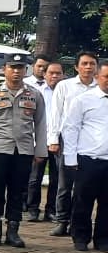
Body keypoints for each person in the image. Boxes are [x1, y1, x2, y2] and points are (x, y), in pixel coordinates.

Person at [0, 53, 47, 248]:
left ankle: (13, 231)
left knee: (18, 191)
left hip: (23, 150)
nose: (16, 71)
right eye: (12, 67)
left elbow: (41, 124)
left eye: (20, 68)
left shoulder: (34, 94)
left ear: (26, 70)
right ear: (4, 69)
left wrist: (40, 151)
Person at [46, 51, 99, 238]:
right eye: (84, 63)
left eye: (92, 64)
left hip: (90, 142)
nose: (88, 67)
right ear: (76, 67)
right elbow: (55, 113)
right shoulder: (65, 86)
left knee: (84, 186)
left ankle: (78, 223)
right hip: (67, 140)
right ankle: (62, 221)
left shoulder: (100, 87)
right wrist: (53, 140)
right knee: (64, 184)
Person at [61, 61, 108, 252]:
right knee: (82, 200)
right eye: (106, 77)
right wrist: (70, 158)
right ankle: (80, 236)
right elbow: (71, 129)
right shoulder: (83, 100)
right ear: (97, 77)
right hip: (88, 158)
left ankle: (103, 239)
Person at [27, 61, 64, 222]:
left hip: (60, 141)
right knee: (35, 177)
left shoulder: (67, 93)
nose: (54, 76)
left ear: (63, 75)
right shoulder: (37, 93)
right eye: (51, 73)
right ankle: (32, 209)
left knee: (57, 178)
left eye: (58, 73)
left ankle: (51, 210)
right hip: (40, 139)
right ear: (44, 74)